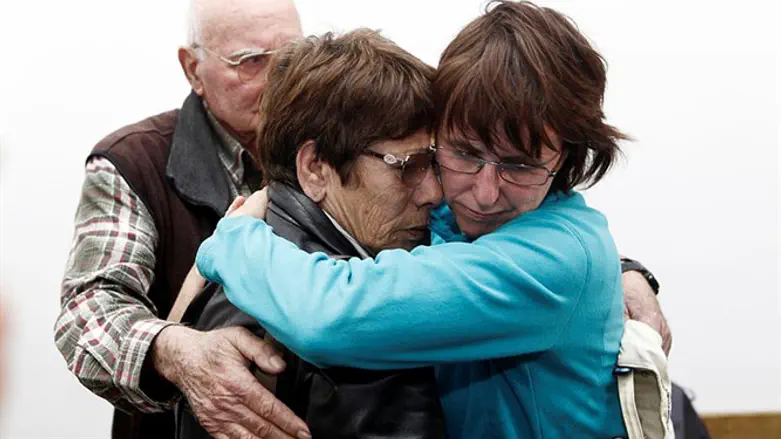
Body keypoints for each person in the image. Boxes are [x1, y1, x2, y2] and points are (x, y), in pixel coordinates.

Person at [196, 1, 668, 438]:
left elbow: (334, 316)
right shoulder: (451, 214)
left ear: (564, 157)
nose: (482, 194)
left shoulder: (557, 259)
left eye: (520, 165)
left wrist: (233, 237)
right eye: (462, 154)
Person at [53, 1, 310, 438]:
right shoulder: (132, 161)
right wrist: (177, 352)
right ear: (193, 69)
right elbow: (88, 313)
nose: (278, 82)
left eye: (291, 59)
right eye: (251, 62)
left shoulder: (334, 145)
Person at [177, 29, 448, 439]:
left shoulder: (251, 266)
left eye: (435, 164)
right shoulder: (359, 319)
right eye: (407, 166)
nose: (434, 193)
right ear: (316, 168)